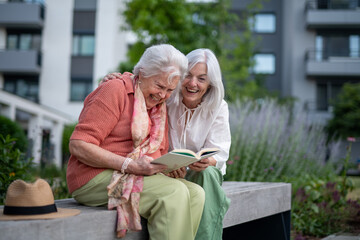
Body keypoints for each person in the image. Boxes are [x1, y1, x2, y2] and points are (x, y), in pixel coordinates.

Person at [66, 44, 205, 239]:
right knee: (173, 193)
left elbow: (155, 155)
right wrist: (129, 165)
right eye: (159, 86)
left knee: (196, 193)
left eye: (169, 90)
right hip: (93, 178)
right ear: (142, 73)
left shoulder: (159, 109)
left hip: (133, 175)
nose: (162, 95)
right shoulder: (115, 89)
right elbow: (79, 145)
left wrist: (170, 167)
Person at [166, 48, 231, 240]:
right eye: (188, 76)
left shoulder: (219, 107)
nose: (193, 84)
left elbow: (220, 151)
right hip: (169, 172)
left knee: (207, 174)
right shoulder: (168, 99)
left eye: (201, 78)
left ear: (210, 83)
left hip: (202, 174)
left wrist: (208, 161)